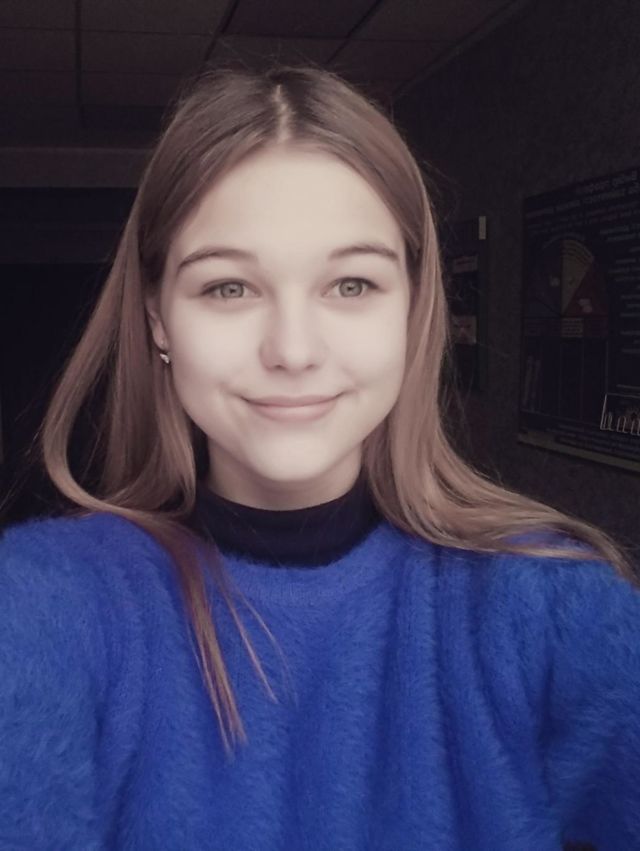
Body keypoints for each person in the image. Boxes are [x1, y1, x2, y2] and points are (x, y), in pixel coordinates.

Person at [1, 66, 638, 851]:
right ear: (158, 318)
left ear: (414, 305)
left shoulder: (551, 602)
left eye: (352, 284)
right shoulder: (48, 602)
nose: (293, 350)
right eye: (229, 288)